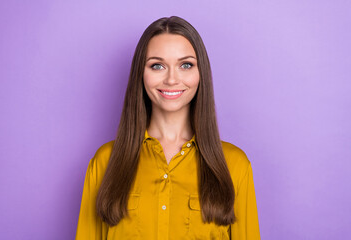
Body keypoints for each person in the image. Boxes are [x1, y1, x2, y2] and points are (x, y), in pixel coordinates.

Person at [76, 16, 260, 240]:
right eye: (157, 65)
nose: (172, 79)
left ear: (200, 73)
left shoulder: (235, 166)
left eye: (185, 65)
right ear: (141, 74)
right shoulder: (105, 162)